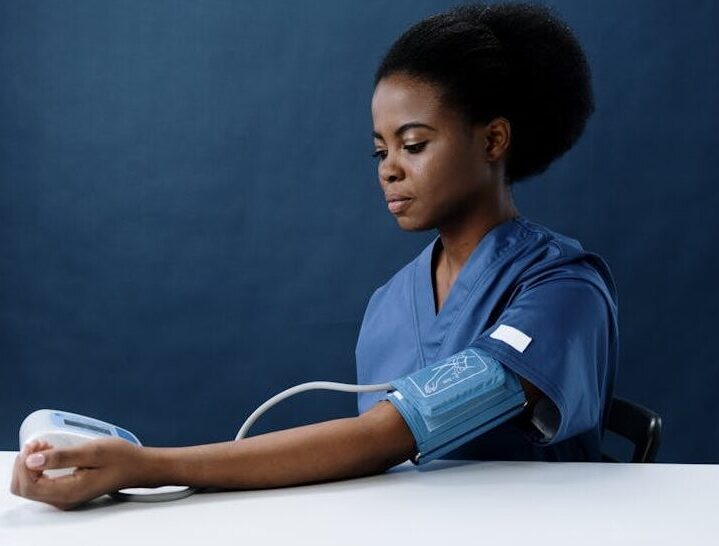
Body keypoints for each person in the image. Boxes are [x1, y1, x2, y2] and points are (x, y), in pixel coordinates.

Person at [11, 2, 617, 510]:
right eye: (379, 151)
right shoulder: (389, 304)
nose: (390, 170)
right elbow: (376, 470)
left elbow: (382, 438)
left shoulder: (562, 292)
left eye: (414, 143)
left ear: (493, 140)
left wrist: (143, 467)